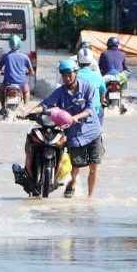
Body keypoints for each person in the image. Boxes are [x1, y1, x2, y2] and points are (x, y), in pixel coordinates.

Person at [18, 59, 104, 198]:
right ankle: (73, 182)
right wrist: (29, 112)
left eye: (69, 74)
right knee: (75, 166)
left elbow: (90, 109)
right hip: (74, 135)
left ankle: (90, 198)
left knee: (94, 165)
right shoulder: (60, 91)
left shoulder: (88, 87)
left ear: (76, 73)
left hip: (93, 131)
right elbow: (45, 104)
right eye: (63, 75)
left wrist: (76, 117)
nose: (66, 77)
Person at [0, 34, 34, 117]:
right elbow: (31, 71)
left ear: (10, 44)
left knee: (1, 90)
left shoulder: (5, 56)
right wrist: (29, 73)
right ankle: (26, 107)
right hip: (21, 83)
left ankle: (3, 108)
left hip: (8, 83)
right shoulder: (25, 57)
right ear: (20, 44)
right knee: (26, 91)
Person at [76, 48, 107, 126]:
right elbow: (102, 93)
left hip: (77, 111)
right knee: (100, 110)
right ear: (91, 61)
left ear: (78, 60)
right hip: (94, 112)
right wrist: (102, 102)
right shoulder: (98, 76)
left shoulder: (74, 75)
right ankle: (99, 132)